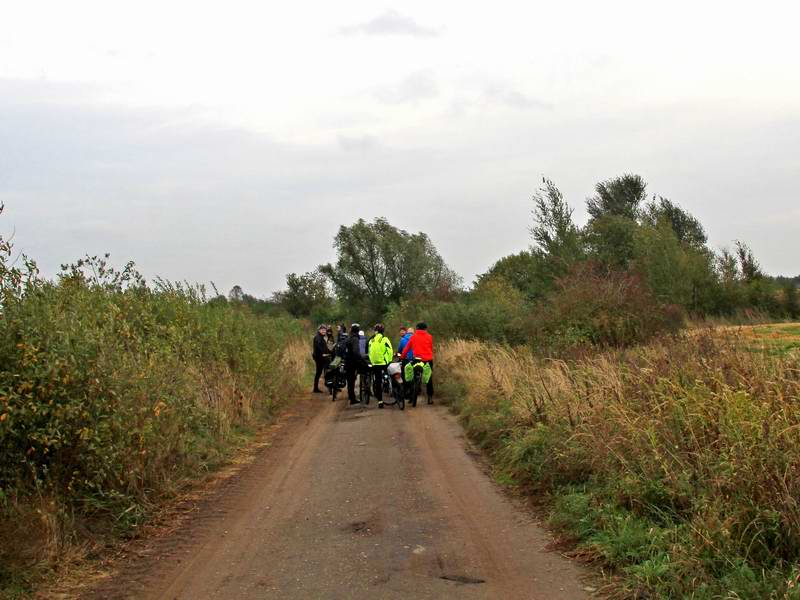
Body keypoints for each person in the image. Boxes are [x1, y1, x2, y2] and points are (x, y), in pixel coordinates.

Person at [401, 322, 434, 404]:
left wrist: (402, 356)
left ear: (417, 328)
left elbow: (407, 348)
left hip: (417, 360)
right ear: (425, 329)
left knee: (412, 374)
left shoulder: (413, 337)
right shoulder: (430, 337)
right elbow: (430, 348)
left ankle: (411, 393)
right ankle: (430, 397)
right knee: (429, 377)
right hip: (427, 360)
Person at [367, 323, 393, 408]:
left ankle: (380, 401)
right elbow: (390, 350)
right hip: (384, 363)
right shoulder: (384, 339)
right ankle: (392, 387)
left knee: (377, 382)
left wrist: (372, 361)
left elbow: (370, 352)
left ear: (375, 331)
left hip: (375, 364)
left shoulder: (371, 340)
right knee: (390, 374)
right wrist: (389, 360)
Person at [344, 323, 364, 405]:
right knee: (352, 380)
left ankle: (351, 396)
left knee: (350, 380)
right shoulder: (355, 339)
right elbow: (356, 352)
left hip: (347, 361)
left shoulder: (349, 337)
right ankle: (352, 399)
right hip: (352, 362)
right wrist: (361, 360)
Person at [312, 324, 331, 393]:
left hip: (320, 356)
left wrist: (329, 351)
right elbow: (319, 347)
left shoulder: (321, 337)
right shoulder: (318, 337)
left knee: (319, 372)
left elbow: (325, 347)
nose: (324, 331)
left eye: (325, 330)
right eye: (322, 330)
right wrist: (323, 353)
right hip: (319, 357)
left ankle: (316, 388)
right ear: (319, 330)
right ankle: (317, 387)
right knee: (322, 371)